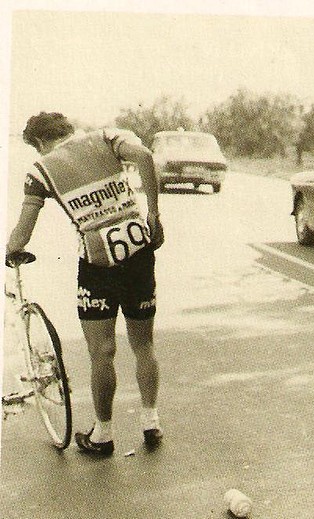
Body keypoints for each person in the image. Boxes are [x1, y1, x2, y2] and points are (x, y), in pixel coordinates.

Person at [6, 112, 165, 457]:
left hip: (97, 262)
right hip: (138, 249)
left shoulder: (40, 170)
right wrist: (153, 214)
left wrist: (12, 249)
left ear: (39, 143)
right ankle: (151, 422)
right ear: (68, 130)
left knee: (101, 351)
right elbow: (146, 156)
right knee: (143, 344)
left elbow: (23, 230)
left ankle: (103, 434)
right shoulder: (108, 136)